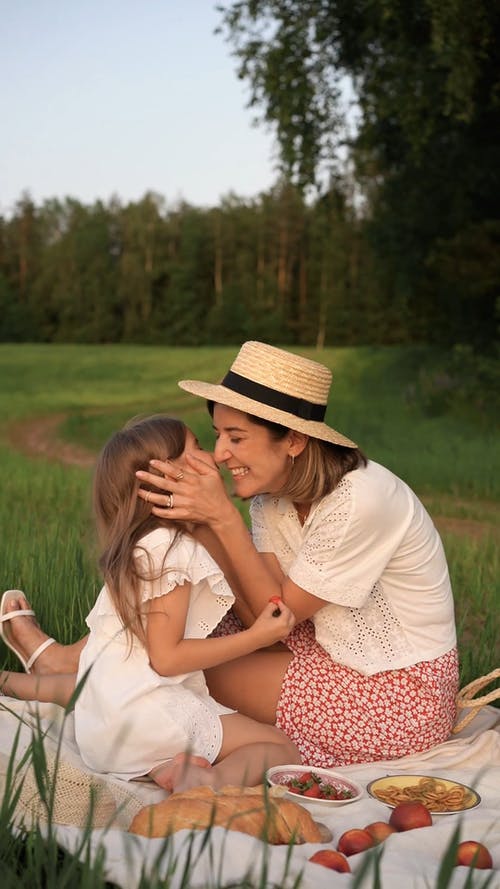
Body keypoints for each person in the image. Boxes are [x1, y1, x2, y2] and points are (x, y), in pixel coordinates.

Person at [1, 342, 459, 768]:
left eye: (236, 438)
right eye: (217, 434)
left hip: (394, 694)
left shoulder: (361, 499)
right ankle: (66, 667)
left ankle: (64, 677)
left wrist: (219, 518)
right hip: (313, 646)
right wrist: (202, 521)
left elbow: (276, 616)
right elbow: (251, 607)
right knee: (186, 615)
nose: (220, 454)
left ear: (295, 441)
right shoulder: (272, 496)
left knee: (167, 674)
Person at [0, 414, 300, 792]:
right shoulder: (172, 551)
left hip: (103, 731)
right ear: (168, 476)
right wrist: (256, 637)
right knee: (279, 747)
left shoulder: (135, 547)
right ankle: (209, 782)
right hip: (144, 720)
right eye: (198, 449)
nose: (214, 456)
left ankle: (161, 767)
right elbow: (167, 659)